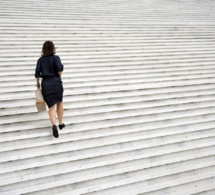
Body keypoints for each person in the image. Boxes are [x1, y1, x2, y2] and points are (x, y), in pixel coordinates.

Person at [35, 41, 65, 138]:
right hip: (56, 82)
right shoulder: (56, 58)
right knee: (60, 102)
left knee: (51, 106)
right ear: (53, 48)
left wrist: (38, 84)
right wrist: (59, 79)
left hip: (46, 84)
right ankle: (60, 123)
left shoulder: (40, 60)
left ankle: (54, 125)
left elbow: (37, 74)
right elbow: (59, 70)